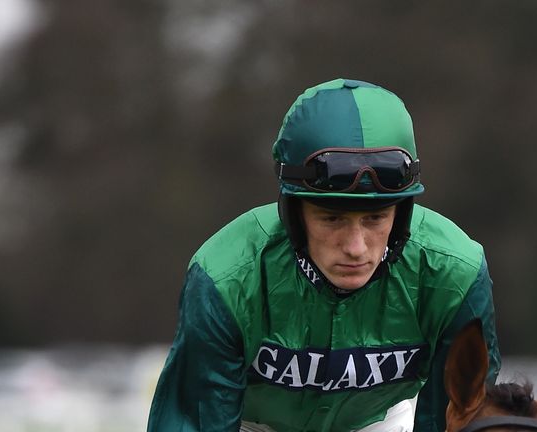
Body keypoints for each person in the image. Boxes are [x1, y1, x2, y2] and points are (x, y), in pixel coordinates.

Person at [146, 78, 500, 432]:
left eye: (376, 218)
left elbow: (455, 420)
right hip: (251, 424)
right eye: (332, 218)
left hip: (376, 422)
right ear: (294, 214)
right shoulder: (226, 278)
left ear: (402, 212)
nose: (356, 247)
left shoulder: (456, 273)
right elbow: (194, 422)